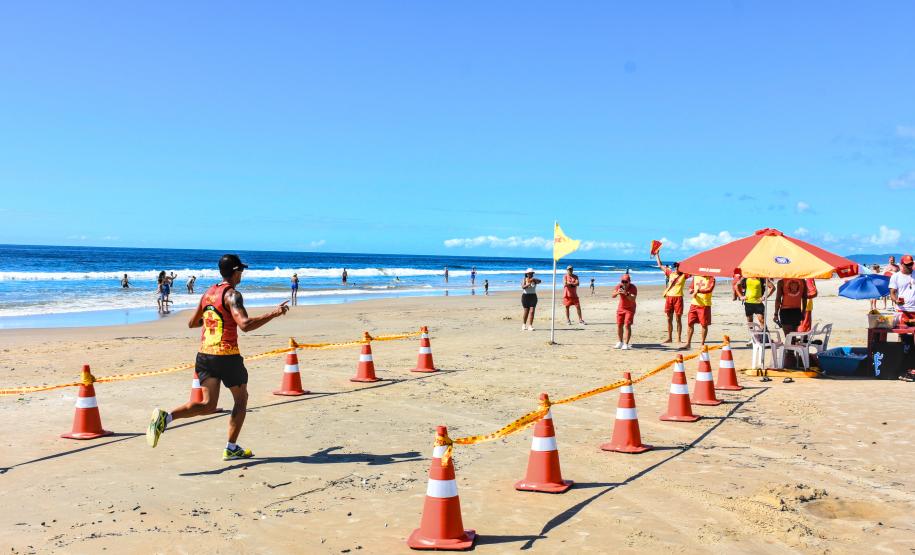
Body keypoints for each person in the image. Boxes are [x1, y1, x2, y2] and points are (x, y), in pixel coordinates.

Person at [147, 254, 290, 460]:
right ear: (234, 271)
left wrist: (214, 321)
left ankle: (165, 418)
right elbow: (245, 325)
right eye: (241, 270)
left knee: (208, 405)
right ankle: (231, 448)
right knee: (241, 400)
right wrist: (275, 313)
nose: (242, 273)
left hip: (205, 355)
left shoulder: (208, 293)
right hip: (227, 356)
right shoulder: (232, 295)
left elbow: (193, 323)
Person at [655, 253, 688, 344]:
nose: (676, 268)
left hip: (678, 298)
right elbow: (660, 265)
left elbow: (695, 271)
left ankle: (679, 338)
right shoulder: (670, 273)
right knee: (669, 318)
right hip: (669, 297)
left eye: (678, 266)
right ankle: (669, 338)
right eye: (675, 266)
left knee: (678, 319)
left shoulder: (684, 275)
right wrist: (657, 254)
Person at [681, 274, 715, 350]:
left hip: (704, 304)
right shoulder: (696, 277)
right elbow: (691, 287)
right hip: (694, 304)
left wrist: (698, 291)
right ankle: (688, 343)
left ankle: (702, 344)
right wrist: (691, 290)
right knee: (690, 323)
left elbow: (709, 289)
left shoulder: (711, 278)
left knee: (704, 324)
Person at [612, 273, 637, 349]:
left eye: (626, 282)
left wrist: (626, 294)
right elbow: (612, 295)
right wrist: (617, 292)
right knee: (619, 325)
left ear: (629, 282)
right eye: (623, 281)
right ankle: (620, 342)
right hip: (621, 308)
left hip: (630, 308)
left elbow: (633, 299)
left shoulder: (633, 287)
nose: (624, 283)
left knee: (627, 325)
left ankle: (626, 344)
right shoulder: (619, 286)